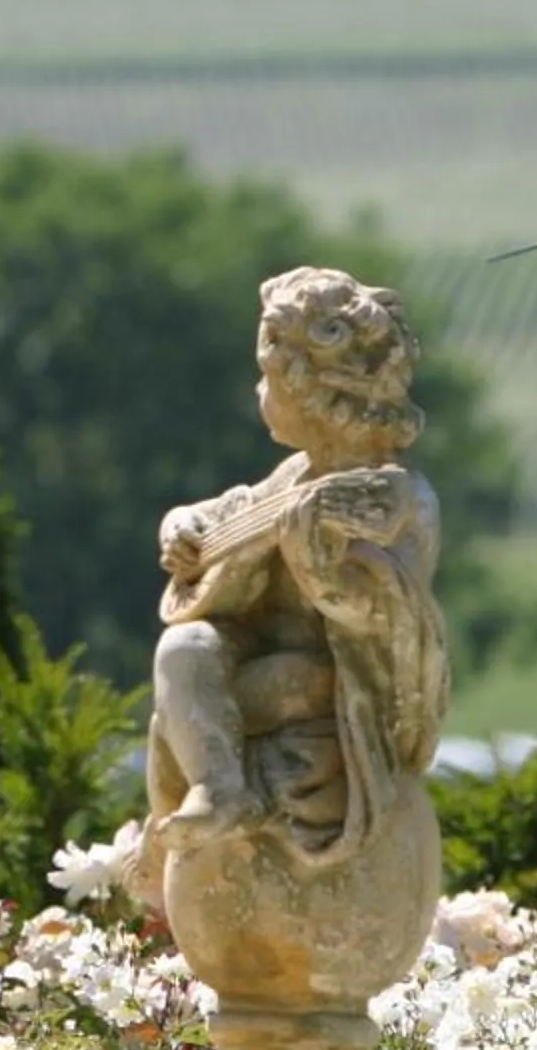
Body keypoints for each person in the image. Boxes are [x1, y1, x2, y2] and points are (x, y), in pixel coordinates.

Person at [146, 267, 450, 866]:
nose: (258, 395)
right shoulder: (293, 478)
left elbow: (383, 617)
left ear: (311, 397)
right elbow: (227, 511)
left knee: (247, 692)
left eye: (266, 380)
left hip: (336, 680)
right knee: (184, 650)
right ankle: (220, 791)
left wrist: (315, 565)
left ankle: (225, 800)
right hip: (259, 657)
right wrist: (181, 528)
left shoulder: (399, 497)